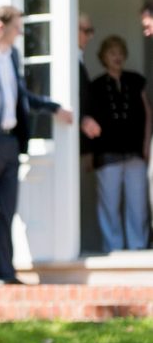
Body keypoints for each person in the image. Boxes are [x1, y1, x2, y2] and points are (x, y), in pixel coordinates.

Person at [0, 5, 73, 285]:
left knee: (7, 209)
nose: (20, 31)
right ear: (0, 25)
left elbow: (21, 97)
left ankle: (5, 270)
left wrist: (53, 108)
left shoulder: (12, 56)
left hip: (11, 143)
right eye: (17, 25)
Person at [87, 34, 151, 251]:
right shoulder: (95, 86)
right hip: (107, 153)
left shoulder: (135, 80)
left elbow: (147, 113)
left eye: (120, 52)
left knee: (138, 205)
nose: (117, 57)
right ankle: (112, 248)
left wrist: (146, 145)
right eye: (112, 53)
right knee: (109, 205)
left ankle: (138, 247)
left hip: (135, 152)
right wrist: (89, 154)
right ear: (103, 56)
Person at [78, 15, 102, 252]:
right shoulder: (65, 62)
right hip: (69, 147)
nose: (89, 36)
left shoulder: (79, 61)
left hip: (83, 148)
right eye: (86, 30)